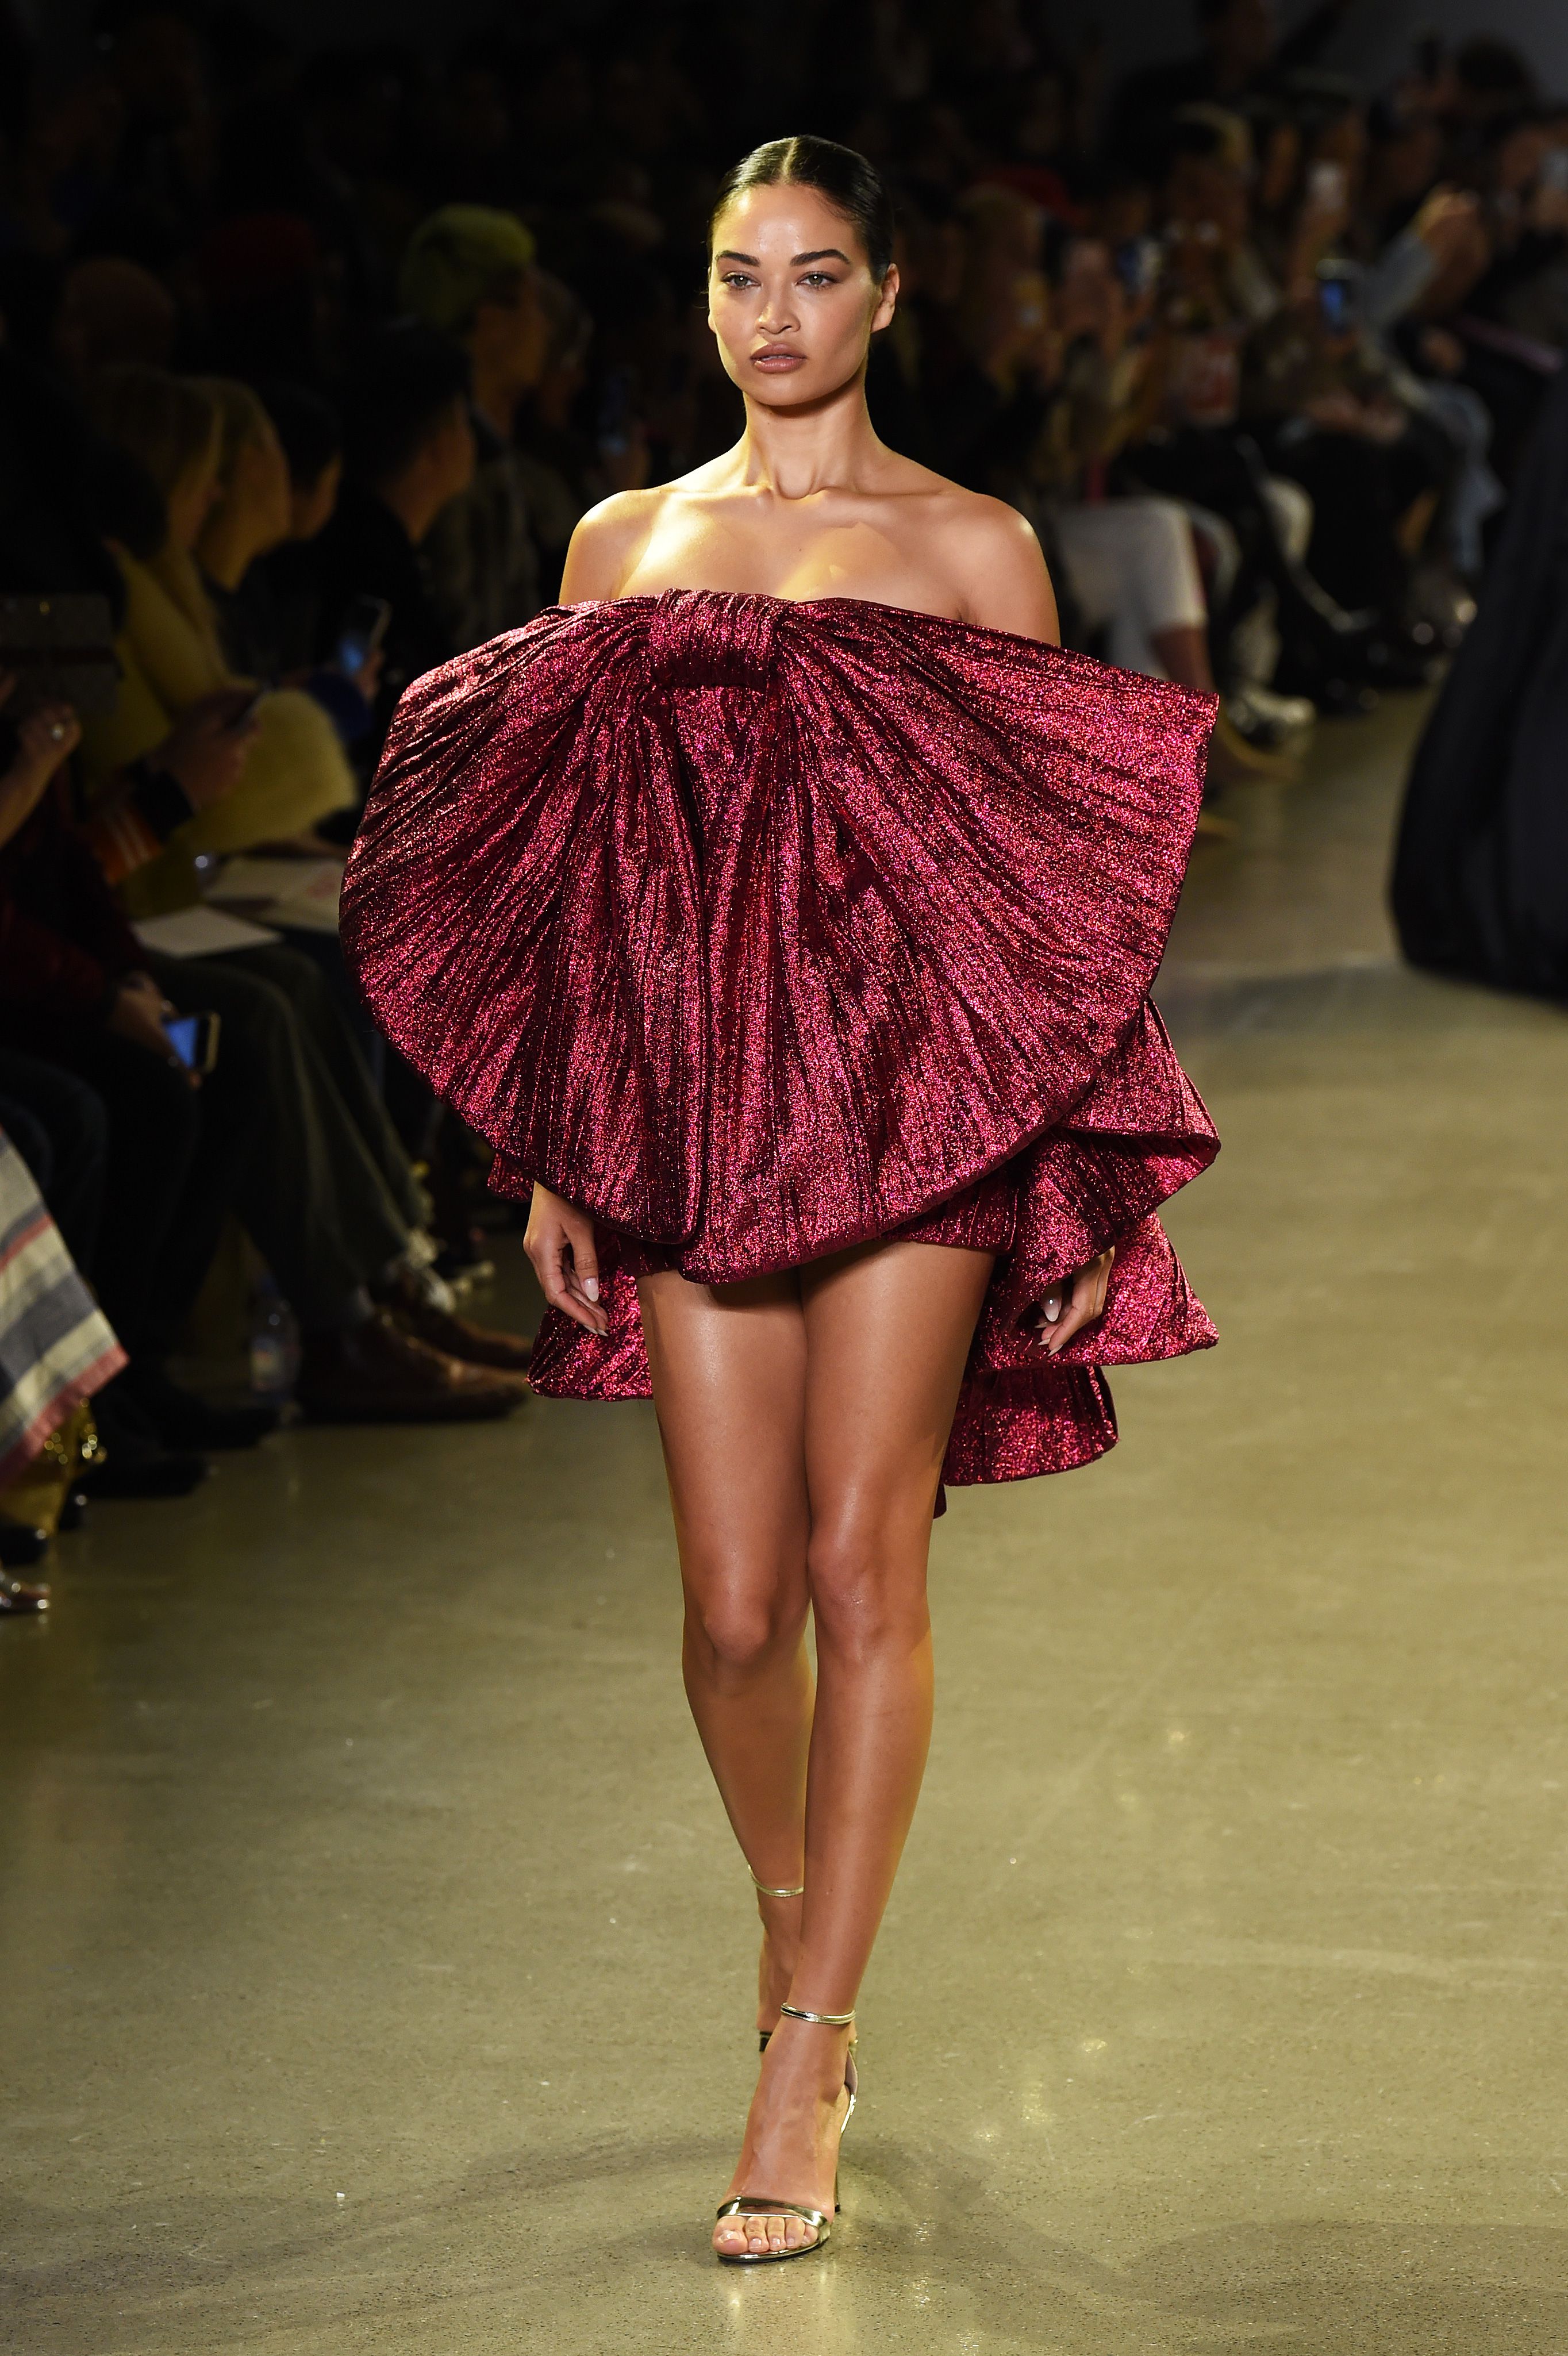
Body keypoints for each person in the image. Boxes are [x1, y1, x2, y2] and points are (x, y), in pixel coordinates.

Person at [344, 136, 1220, 2265]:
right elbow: (561, 873)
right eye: (742, 275)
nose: (774, 314)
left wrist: (1085, 1163)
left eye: (817, 274)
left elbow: (1057, 883)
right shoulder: (622, 540)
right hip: (689, 1107)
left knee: (855, 1559)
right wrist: (550, 1142)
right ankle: (794, 1922)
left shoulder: (976, 545)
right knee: (734, 1605)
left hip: (923, 1106)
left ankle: (804, 2050)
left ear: (889, 295)